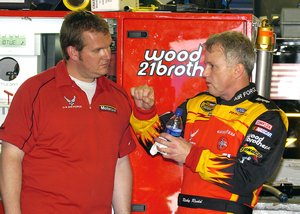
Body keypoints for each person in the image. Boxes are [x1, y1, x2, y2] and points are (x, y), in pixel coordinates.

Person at [130, 31, 288, 213]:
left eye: (212, 66)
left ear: (237, 70)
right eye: (206, 65)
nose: (205, 73)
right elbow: (156, 145)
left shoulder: (267, 115)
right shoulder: (196, 104)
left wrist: (191, 155)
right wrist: (144, 111)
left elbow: (246, 177)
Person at [0, 10, 135, 214]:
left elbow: (120, 162)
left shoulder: (118, 96)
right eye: (97, 50)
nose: (107, 55)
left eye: (109, 47)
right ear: (73, 52)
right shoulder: (35, 91)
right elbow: (11, 156)